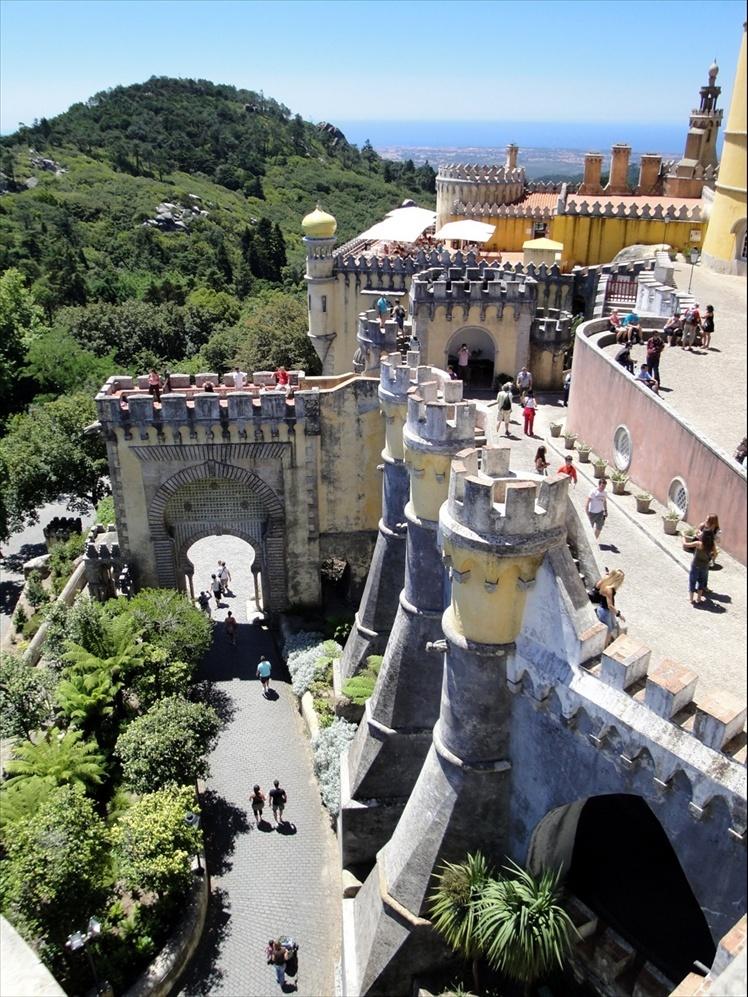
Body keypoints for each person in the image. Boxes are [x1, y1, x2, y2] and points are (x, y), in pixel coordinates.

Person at [593, 569, 625, 647]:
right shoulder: (609, 589)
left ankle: (608, 642)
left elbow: (597, 586)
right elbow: (610, 606)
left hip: (607, 610)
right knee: (608, 629)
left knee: (613, 625)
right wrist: (619, 614)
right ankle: (605, 647)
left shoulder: (606, 582)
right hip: (605, 611)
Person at [683, 528, 715, 605]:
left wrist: (683, 537)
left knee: (692, 581)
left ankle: (691, 599)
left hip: (696, 565)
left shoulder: (698, 544)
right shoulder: (712, 545)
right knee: (701, 582)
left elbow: (685, 544)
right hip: (705, 566)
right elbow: (714, 553)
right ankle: (699, 599)